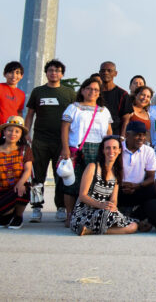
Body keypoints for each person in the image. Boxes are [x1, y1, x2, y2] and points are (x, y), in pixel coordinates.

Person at [24, 58, 76, 223]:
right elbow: (30, 114)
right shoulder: (38, 92)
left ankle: (61, 207)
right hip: (40, 140)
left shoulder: (69, 93)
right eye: (51, 70)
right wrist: (26, 133)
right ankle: (36, 207)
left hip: (61, 141)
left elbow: (75, 116)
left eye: (57, 70)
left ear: (62, 74)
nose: (54, 73)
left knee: (60, 174)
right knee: (37, 175)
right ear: (46, 73)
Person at [59, 77, 113, 226]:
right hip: (77, 149)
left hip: (99, 149)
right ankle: (70, 214)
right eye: (89, 88)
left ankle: (89, 213)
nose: (92, 92)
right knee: (71, 183)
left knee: (95, 183)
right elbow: (64, 128)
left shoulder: (104, 111)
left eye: (96, 89)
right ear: (82, 90)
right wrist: (65, 148)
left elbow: (109, 132)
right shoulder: (74, 108)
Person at [69, 135, 141, 235]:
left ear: (120, 150)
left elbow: (114, 199)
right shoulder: (92, 167)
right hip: (84, 214)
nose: (111, 151)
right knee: (109, 215)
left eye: (114, 148)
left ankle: (89, 231)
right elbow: (82, 195)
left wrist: (112, 206)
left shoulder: (116, 173)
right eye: (108, 148)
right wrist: (100, 205)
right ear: (103, 150)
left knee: (133, 226)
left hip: (104, 212)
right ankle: (87, 227)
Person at [118, 119, 156, 217]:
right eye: (137, 135)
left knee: (155, 189)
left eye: (143, 135)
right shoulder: (117, 148)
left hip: (138, 188)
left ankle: (138, 214)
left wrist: (137, 186)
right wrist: (120, 185)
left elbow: (152, 177)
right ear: (127, 135)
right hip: (118, 188)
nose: (141, 138)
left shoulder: (149, 151)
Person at [96, 62, 132, 128]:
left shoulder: (123, 94)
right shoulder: (94, 93)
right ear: (99, 73)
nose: (106, 73)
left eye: (109, 71)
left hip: (115, 134)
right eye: (103, 71)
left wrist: (122, 137)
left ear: (115, 73)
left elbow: (126, 119)